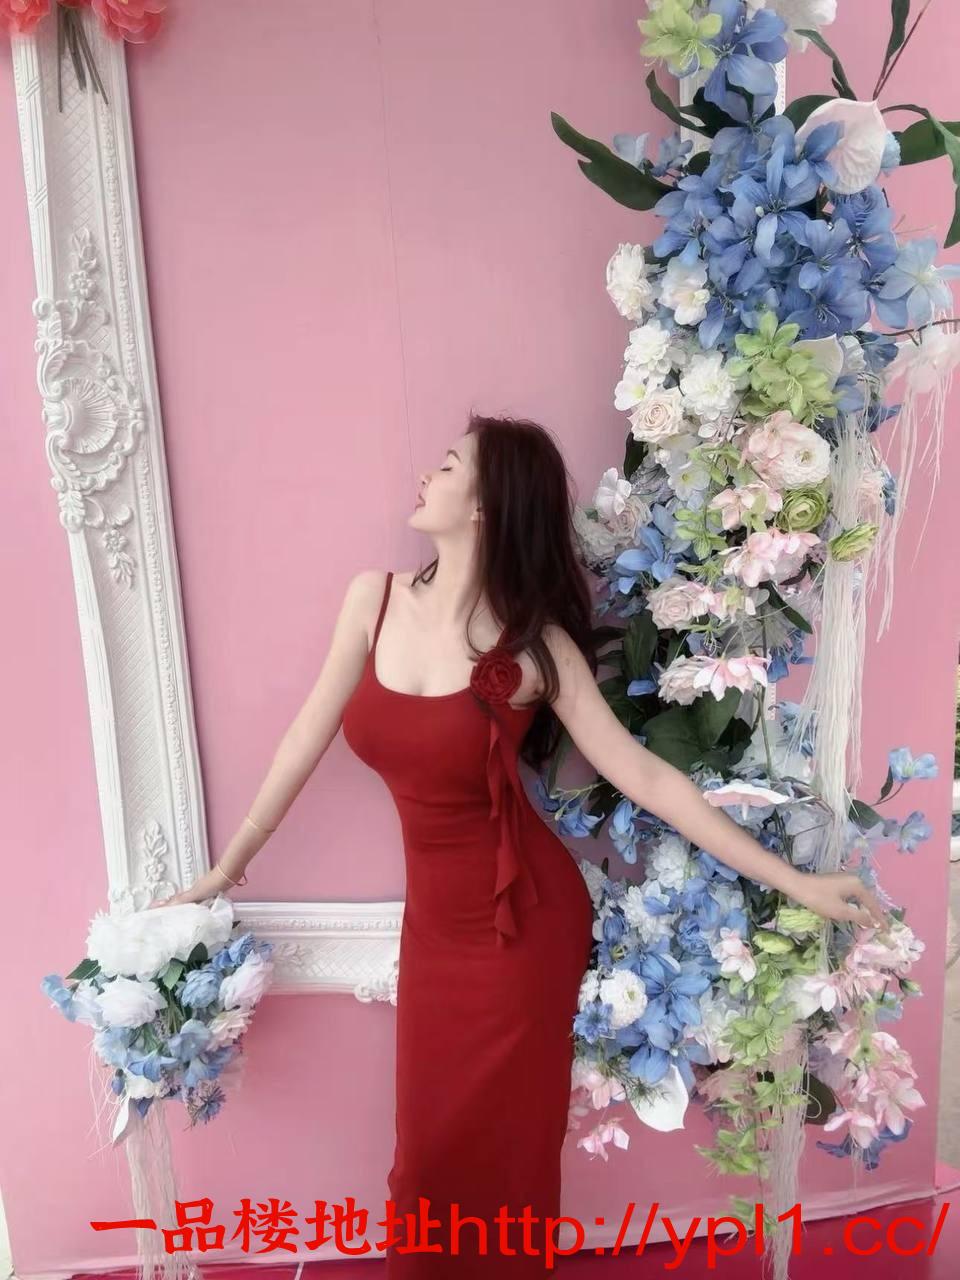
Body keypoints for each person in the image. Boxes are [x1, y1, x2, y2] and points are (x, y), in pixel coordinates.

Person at [150, 411, 885, 1274]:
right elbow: (302, 739)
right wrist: (226, 868)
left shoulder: (539, 650)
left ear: (485, 505)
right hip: (438, 932)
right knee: (426, 1161)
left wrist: (798, 884)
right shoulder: (372, 599)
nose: (426, 474)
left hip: (522, 929)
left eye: (447, 464)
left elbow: (648, 779)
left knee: (509, 1158)